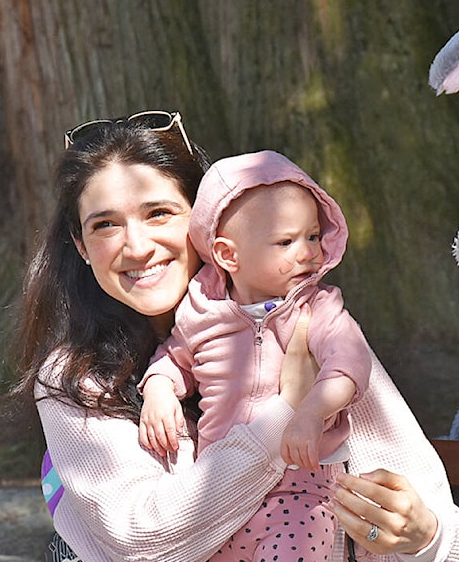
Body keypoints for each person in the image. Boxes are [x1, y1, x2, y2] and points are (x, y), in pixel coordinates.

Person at [9, 110, 459, 562]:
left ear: (207, 223)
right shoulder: (77, 378)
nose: (138, 246)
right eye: (105, 224)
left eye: (159, 213)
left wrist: (421, 538)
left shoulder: (305, 319)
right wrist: (288, 411)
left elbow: (434, 523)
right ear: (81, 245)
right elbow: (144, 543)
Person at [139, 150, 373, 561]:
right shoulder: (203, 309)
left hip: (301, 488)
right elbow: (176, 356)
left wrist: (311, 411)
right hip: (221, 492)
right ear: (229, 256)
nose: (307, 253)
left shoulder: (315, 308)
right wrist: (158, 389)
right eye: (286, 242)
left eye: (314, 236)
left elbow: (348, 363)